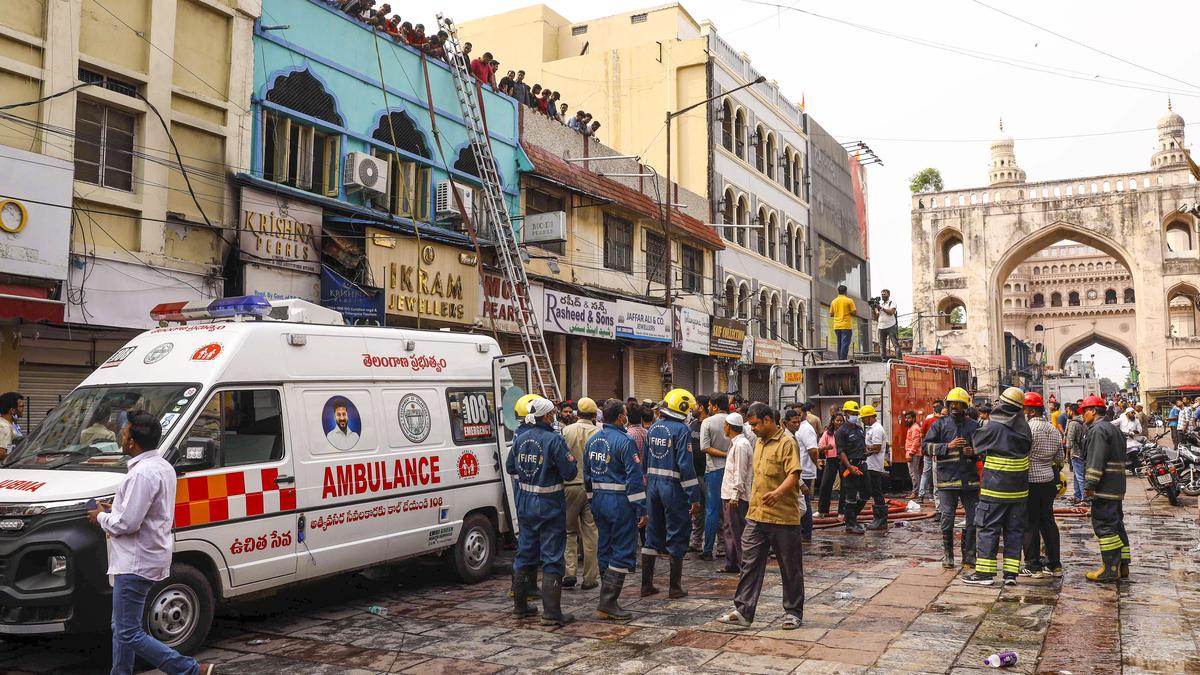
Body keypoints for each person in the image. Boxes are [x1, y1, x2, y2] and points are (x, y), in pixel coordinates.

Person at [86, 411, 215, 675]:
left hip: (135, 562)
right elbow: (145, 510)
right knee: (121, 626)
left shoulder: (141, 474)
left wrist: (100, 517)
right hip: (148, 556)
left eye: (124, 432)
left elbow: (127, 524)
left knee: (129, 631)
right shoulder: (162, 466)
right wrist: (116, 507)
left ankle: (190, 669)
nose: (121, 435)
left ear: (132, 442)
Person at [716, 403, 806, 630]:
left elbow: (794, 474)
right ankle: (744, 610)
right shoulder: (758, 443)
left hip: (783, 517)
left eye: (755, 424)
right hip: (757, 515)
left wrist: (778, 493)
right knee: (749, 562)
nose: (752, 428)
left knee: (790, 566)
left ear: (767, 420)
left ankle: (793, 612)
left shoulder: (787, 443)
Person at [505, 396, 578, 625]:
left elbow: (509, 467)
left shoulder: (520, 437)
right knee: (552, 556)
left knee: (525, 553)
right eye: (552, 413)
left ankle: (520, 607)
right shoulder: (553, 440)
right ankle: (551, 613)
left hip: (525, 502)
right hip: (549, 505)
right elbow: (569, 472)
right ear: (546, 416)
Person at [962, 387, 1032, 586]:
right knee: (1014, 531)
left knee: (987, 528)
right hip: (1019, 491)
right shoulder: (1024, 428)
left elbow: (975, 445)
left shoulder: (993, 427)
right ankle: (1010, 575)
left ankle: (984, 574)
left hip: (995, 489)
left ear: (1002, 405)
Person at [584, 399, 646, 620]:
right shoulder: (625, 441)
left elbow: (587, 475)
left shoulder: (593, 440)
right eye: (625, 414)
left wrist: (592, 501)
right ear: (620, 417)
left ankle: (606, 599)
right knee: (622, 549)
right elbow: (635, 479)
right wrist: (641, 510)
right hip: (619, 502)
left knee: (605, 547)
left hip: (600, 501)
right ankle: (608, 602)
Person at [641, 389, 701, 599]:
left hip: (653, 487)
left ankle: (646, 585)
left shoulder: (654, 427)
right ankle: (675, 587)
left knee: (652, 533)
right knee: (677, 532)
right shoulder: (681, 430)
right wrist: (694, 496)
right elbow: (686, 466)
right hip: (673, 488)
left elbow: (645, 461)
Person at [924, 387, 980, 570]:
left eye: (959, 404)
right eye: (952, 404)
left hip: (969, 481)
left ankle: (969, 556)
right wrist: (947, 446)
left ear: (965, 405)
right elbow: (925, 447)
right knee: (947, 518)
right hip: (947, 480)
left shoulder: (974, 425)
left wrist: (974, 452)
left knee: (973, 520)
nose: (955, 406)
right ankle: (948, 555)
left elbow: (985, 449)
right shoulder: (939, 425)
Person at [1079, 395, 1129, 582]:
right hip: (1117, 486)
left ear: (1092, 411)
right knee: (1117, 525)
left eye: (1084, 412)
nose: (1083, 415)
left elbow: (1095, 461)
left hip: (1104, 487)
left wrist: (1090, 485)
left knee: (1105, 527)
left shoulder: (1098, 430)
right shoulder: (1113, 429)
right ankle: (1123, 565)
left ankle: (1110, 568)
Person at [1022, 393, 1064, 579]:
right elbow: (1060, 459)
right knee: (1048, 522)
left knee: (1030, 523)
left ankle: (1033, 566)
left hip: (1030, 482)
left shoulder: (1027, 429)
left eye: (1024, 409)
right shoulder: (1053, 430)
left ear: (1030, 410)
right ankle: (1054, 564)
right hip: (1048, 481)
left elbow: (1021, 453)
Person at [561, 397, 600, 591]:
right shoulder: (598, 432)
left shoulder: (566, 431)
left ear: (577, 413)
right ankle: (590, 577)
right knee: (591, 532)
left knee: (569, 531)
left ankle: (569, 573)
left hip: (569, 486)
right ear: (594, 415)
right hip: (592, 487)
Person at [719, 412, 753, 573]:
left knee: (738, 531)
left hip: (735, 496)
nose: (723, 428)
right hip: (728, 494)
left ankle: (742, 564)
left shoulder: (741, 445)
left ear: (730, 427)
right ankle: (731, 563)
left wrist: (735, 495)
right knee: (729, 530)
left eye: (725, 425)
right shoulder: (736, 443)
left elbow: (740, 472)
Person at [699, 394, 730, 561]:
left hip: (714, 470)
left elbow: (705, 447)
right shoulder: (734, 420)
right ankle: (728, 548)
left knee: (712, 511)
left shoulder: (708, 422)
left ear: (716, 406)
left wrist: (723, 454)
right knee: (730, 511)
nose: (708, 408)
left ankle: (708, 549)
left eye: (710, 405)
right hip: (731, 470)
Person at [835, 401, 868, 534]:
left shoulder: (859, 428)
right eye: (852, 413)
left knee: (866, 492)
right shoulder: (841, 432)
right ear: (846, 414)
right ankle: (850, 523)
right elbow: (841, 452)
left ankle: (851, 517)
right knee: (851, 495)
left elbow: (862, 445)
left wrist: (866, 451)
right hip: (849, 467)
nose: (854, 416)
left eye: (856, 413)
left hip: (862, 464)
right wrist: (849, 466)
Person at [787, 409, 820, 541]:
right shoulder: (790, 435)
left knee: (803, 505)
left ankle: (805, 533)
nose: (796, 424)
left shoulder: (806, 430)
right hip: (797, 472)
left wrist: (815, 463)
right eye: (793, 421)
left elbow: (813, 450)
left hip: (804, 472)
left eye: (798, 421)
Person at [861, 405, 889, 531]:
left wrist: (863, 447)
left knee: (877, 492)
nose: (862, 420)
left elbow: (876, 447)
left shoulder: (877, 429)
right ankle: (878, 520)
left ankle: (881, 521)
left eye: (864, 418)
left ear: (870, 417)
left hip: (874, 466)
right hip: (871, 464)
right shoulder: (872, 428)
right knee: (875, 492)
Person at [816, 411, 845, 518]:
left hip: (843, 460)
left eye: (841, 420)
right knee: (825, 484)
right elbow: (820, 447)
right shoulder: (828, 433)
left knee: (845, 485)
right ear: (833, 421)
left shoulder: (845, 432)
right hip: (831, 460)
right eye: (837, 420)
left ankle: (842, 511)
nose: (839, 422)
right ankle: (822, 510)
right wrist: (826, 447)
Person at [1064, 404, 1088, 504]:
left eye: (1068, 411)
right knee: (1076, 475)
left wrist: (1066, 455)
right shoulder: (1083, 422)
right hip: (1082, 452)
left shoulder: (1073, 423)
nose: (1067, 412)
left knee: (1079, 476)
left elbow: (1069, 441)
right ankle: (1077, 495)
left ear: (1072, 411)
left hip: (1076, 453)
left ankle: (1084, 497)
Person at [830, 284, 857, 361]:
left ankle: (840, 359)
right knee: (845, 343)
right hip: (846, 325)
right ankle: (843, 360)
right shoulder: (849, 300)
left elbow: (831, 314)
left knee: (839, 344)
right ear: (846, 292)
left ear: (838, 292)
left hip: (837, 326)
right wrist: (848, 312)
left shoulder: (834, 301)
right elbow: (854, 312)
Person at [904, 411, 926, 501]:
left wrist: (911, 453)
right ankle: (916, 491)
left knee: (914, 474)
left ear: (913, 418)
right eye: (906, 418)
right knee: (914, 473)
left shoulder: (915, 428)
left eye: (909, 418)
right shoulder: (912, 427)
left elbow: (916, 442)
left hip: (913, 454)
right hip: (912, 453)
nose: (906, 420)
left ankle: (915, 492)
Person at [873, 289, 900, 360]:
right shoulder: (880, 304)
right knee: (882, 345)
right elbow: (876, 317)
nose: (883, 296)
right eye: (882, 294)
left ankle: (899, 360)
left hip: (891, 326)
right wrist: (874, 309)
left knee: (895, 344)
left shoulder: (892, 303)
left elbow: (891, 312)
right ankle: (883, 359)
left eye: (884, 294)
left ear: (888, 295)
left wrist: (881, 308)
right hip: (881, 327)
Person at [0, 391, 24, 460]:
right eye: (21, 406)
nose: (23, 409)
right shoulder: (5, 427)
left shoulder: (6, 424)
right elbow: (1, 452)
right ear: (12, 410)